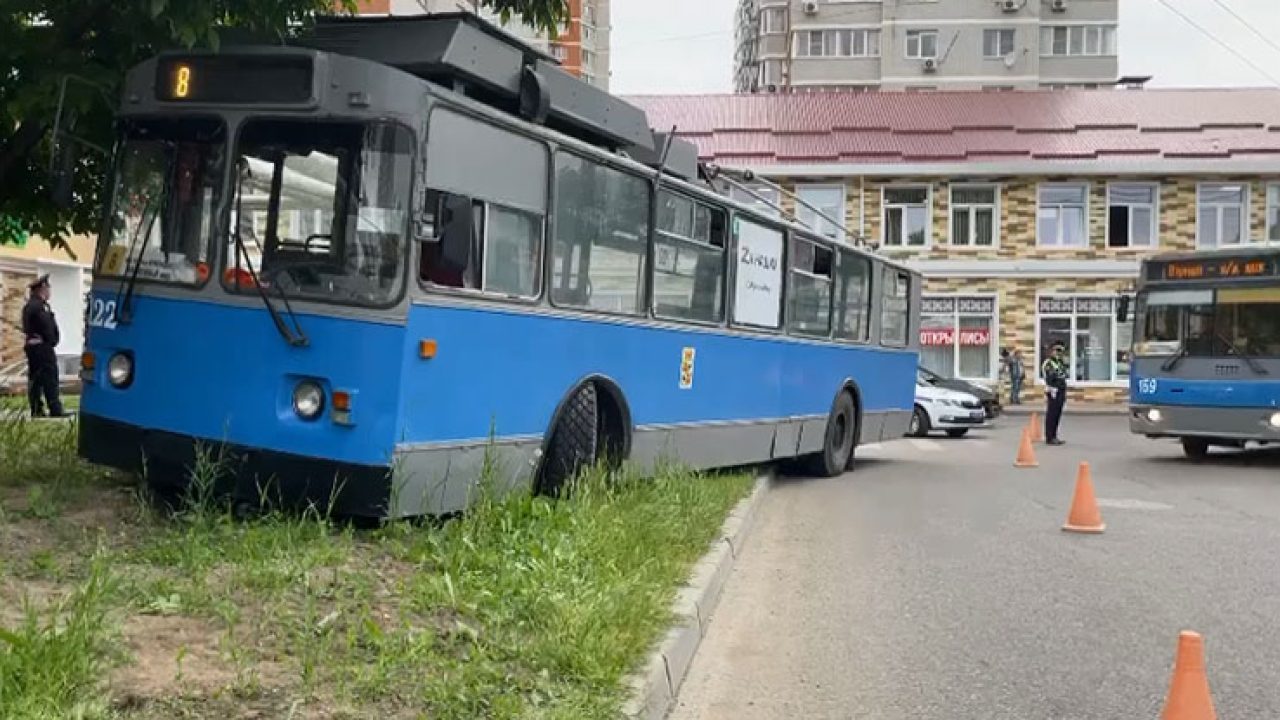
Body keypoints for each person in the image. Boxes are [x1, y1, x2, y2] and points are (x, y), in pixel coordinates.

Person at [22, 275, 65, 418]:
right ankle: (55, 408)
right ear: (42, 289)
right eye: (48, 288)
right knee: (49, 377)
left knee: (35, 379)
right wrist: (52, 340)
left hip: (33, 347)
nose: (49, 291)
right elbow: (47, 327)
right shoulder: (39, 307)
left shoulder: (29, 306)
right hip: (42, 348)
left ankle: (36, 409)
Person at [1041, 343, 1068, 445]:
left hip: (1061, 390)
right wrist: (1053, 387)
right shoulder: (1048, 363)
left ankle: (1054, 435)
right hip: (1053, 390)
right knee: (1052, 414)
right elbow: (1049, 377)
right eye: (1056, 351)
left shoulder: (1059, 362)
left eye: (1060, 351)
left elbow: (1063, 375)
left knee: (1058, 414)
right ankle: (1049, 436)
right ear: (1051, 351)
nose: (1058, 353)